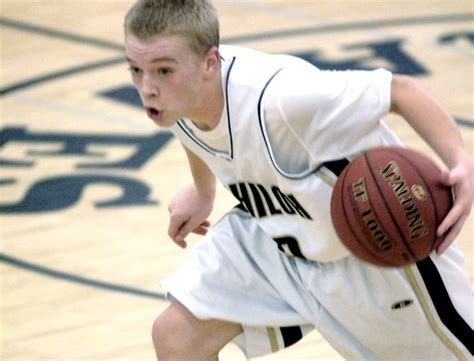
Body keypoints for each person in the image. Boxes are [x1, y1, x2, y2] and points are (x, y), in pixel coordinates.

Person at [123, 1, 474, 360]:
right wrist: (203, 190)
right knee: (177, 336)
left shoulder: (282, 99)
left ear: (210, 62)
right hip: (280, 235)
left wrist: (460, 160)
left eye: (162, 71)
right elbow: (196, 131)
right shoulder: (179, 92)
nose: (146, 87)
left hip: (373, 247)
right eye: (135, 69)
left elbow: (399, 91)